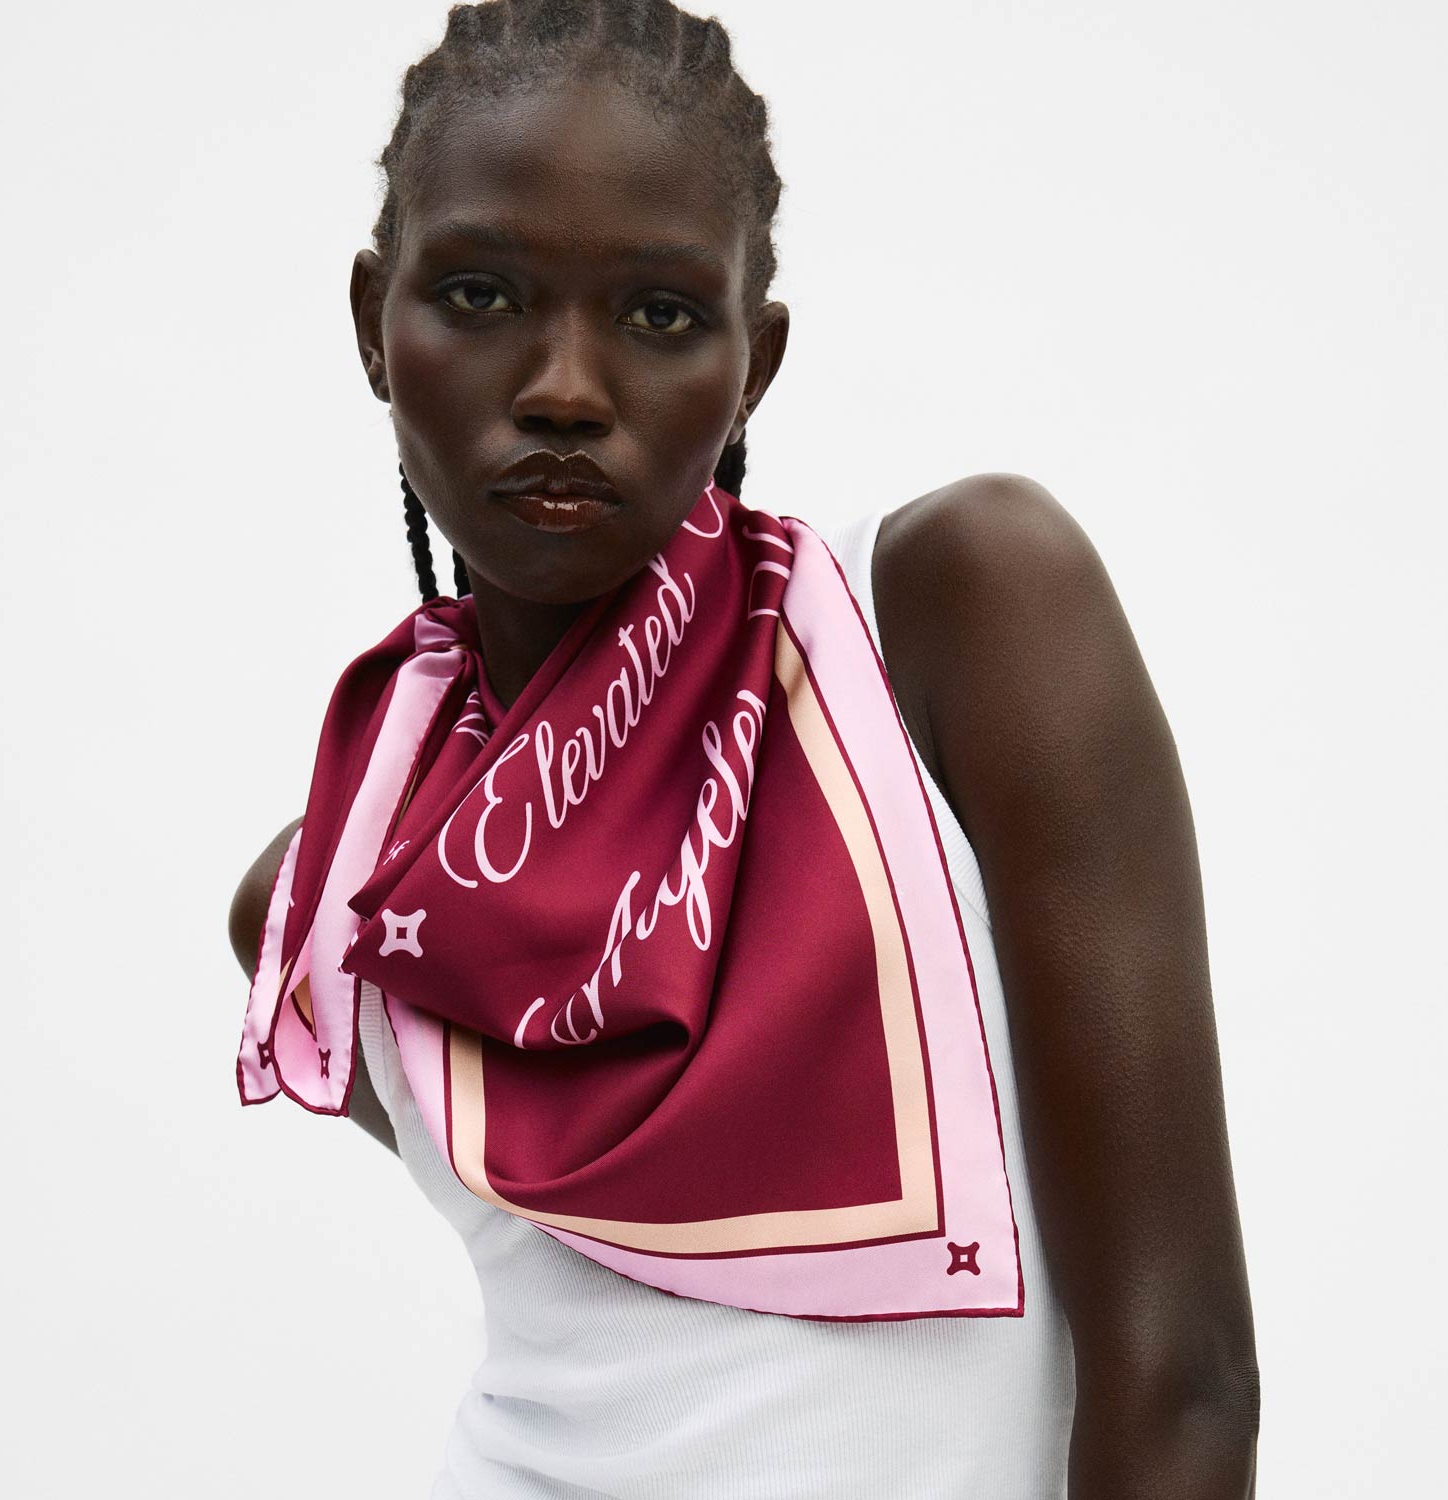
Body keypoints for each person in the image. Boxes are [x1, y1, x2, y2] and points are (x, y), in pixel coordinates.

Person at [227, 2, 1259, 1496]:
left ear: (753, 361)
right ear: (373, 325)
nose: (565, 387)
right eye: (479, 293)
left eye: (658, 314)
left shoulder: (956, 617)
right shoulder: (334, 900)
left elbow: (1185, 1378)